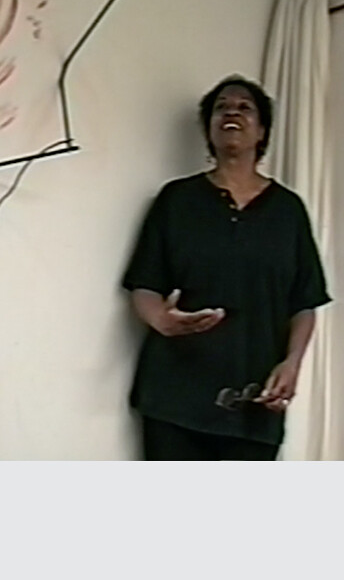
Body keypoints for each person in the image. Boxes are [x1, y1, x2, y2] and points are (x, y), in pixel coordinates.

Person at [121, 75, 329, 460]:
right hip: (174, 399)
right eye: (221, 107)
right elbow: (144, 284)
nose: (232, 112)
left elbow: (305, 302)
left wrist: (292, 363)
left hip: (254, 404)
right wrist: (161, 321)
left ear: (262, 131)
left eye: (244, 107)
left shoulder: (288, 211)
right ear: (209, 130)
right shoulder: (176, 200)